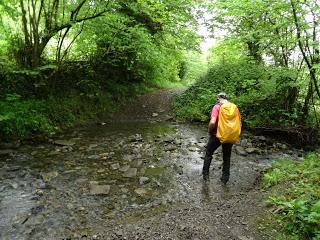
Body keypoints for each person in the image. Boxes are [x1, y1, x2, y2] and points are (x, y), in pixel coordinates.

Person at [202, 92, 240, 184]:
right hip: (229, 136)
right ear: (226, 98)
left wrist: (209, 131)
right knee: (227, 157)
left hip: (216, 136)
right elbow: (239, 123)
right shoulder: (234, 107)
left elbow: (212, 122)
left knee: (209, 153)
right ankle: (224, 179)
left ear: (218, 98)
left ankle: (206, 176)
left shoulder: (217, 107)